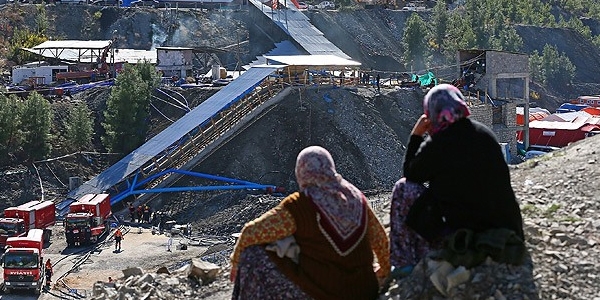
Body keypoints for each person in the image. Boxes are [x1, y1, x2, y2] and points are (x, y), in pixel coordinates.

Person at [389, 84, 525, 274]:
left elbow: (411, 175)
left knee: (403, 188)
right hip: (508, 229)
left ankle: (404, 262)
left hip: (466, 238)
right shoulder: (485, 134)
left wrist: (416, 136)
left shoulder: (437, 144)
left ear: (432, 113)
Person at [230, 146, 390, 300]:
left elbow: (250, 232)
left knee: (253, 253)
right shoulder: (356, 197)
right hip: (365, 291)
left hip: (326, 294)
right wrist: (383, 272)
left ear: (301, 172)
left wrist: (236, 263)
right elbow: (381, 242)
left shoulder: (300, 206)